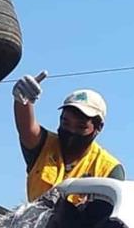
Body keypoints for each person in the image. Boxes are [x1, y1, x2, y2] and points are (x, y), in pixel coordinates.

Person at [12, 71, 124, 202]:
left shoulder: (109, 169)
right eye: (66, 123)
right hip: (34, 222)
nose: (71, 131)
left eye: (80, 127)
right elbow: (26, 128)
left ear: (98, 127)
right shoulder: (44, 147)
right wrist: (23, 99)